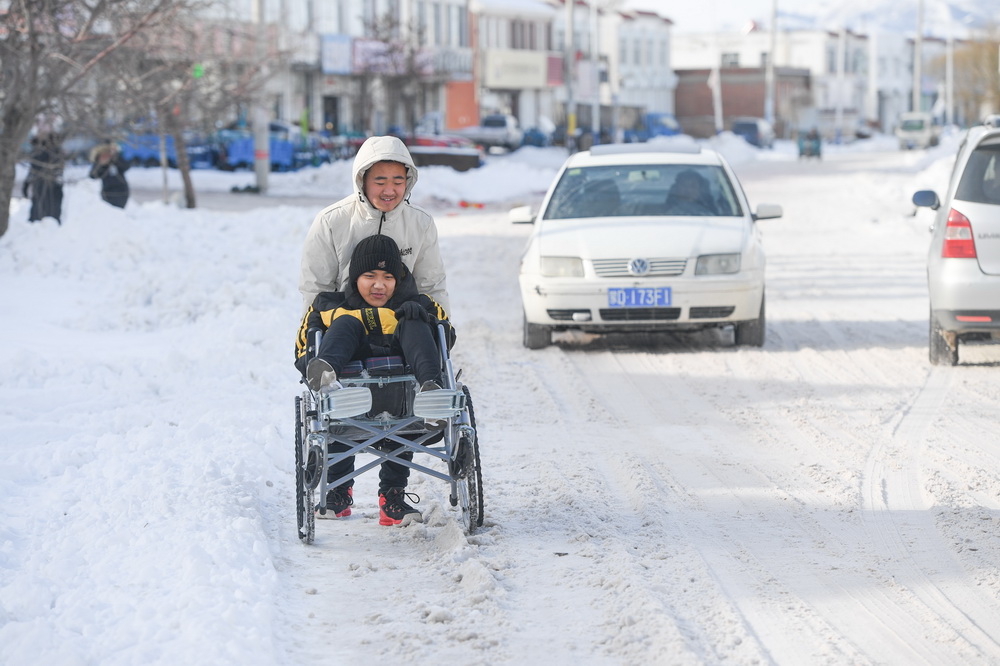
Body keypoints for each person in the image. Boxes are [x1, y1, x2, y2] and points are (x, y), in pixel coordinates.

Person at [294, 233, 454, 527]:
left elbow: (447, 337)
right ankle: (338, 490)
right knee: (346, 325)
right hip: (349, 391)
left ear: (399, 278)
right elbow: (304, 345)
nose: (379, 284)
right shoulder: (329, 306)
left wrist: (424, 319)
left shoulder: (419, 304)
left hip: (405, 396)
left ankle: (393, 495)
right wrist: (312, 364)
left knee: (415, 325)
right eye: (369, 275)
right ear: (355, 277)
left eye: (388, 277)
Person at [298, 135, 450, 316]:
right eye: (380, 182)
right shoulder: (331, 221)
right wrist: (311, 333)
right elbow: (316, 287)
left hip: (402, 326)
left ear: (407, 182)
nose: (389, 191)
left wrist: (441, 328)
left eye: (398, 182)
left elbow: (431, 285)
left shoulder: (421, 223)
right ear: (362, 181)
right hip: (344, 325)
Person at [24, 134, 64, 224]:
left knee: (46, 207)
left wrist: (26, 183)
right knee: (42, 207)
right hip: (42, 184)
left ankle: (44, 225)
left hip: (49, 185)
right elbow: (33, 170)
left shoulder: (54, 153)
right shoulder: (53, 152)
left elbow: (58, 171)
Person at [88, 141, 130, 208]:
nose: (106, 156)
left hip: (121, 192)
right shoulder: (99, 163)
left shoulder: (116, 160)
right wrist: (101, 164)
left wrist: (115, 156)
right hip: (107, 193)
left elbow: (126, 166)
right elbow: (92, 176)